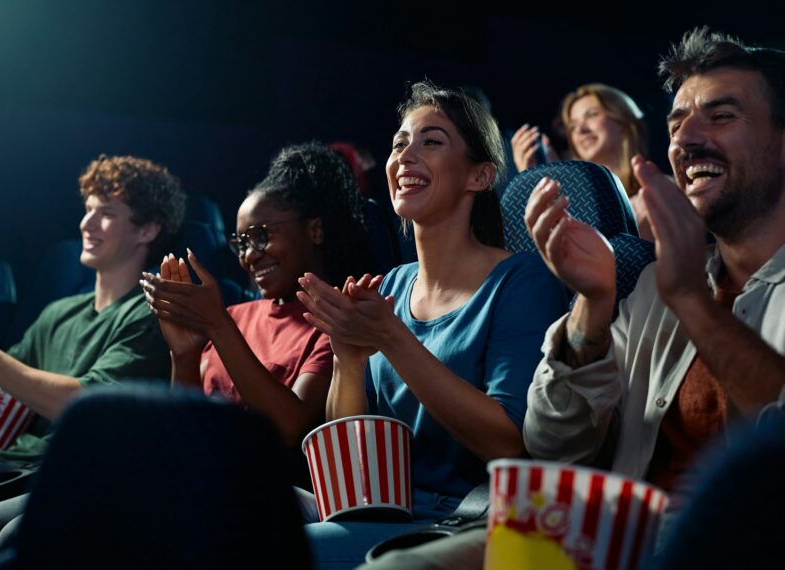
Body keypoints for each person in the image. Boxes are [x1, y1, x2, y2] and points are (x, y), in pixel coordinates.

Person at [358, 26, 785, 570]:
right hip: (610, 535)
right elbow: (555, 446)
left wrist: (692, 302)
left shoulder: (671, 286)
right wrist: (591, 303)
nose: (686, 140)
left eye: (721, 117)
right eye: (677, 123)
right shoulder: (656, 288)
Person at [297, 81, 570, 568]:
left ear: (480, 176)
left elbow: (508, 442)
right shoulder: (392, 286)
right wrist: (349, 355)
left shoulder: (521, 281)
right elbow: (353, 469)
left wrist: (393, 339)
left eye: (431, 141)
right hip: (379, 508)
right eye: (400, 142)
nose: (406, 155)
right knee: (224, 503)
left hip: (462, 519)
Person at [0, 155, 183, 562]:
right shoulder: (58, 314)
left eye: (106, 213)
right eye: (88, 210)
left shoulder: (148, 315)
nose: (87, 224)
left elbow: (84, 406)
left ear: (147, 229)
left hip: (54, 472)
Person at [140, 142, 372, 446]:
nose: (248, 256)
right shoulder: (233, 316)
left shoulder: (336, 320)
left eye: (260, 236)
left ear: (314, 230)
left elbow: (291, 429)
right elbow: (182, 435)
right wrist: (184, 355)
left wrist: (218, 326)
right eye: (240, 243)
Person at [511, 83, 653, 239]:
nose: (580, 130)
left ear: (623, 119)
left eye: (592, 114)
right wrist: (538, 183)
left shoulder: (661, 192)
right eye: (572, 126)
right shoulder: (574, 203)